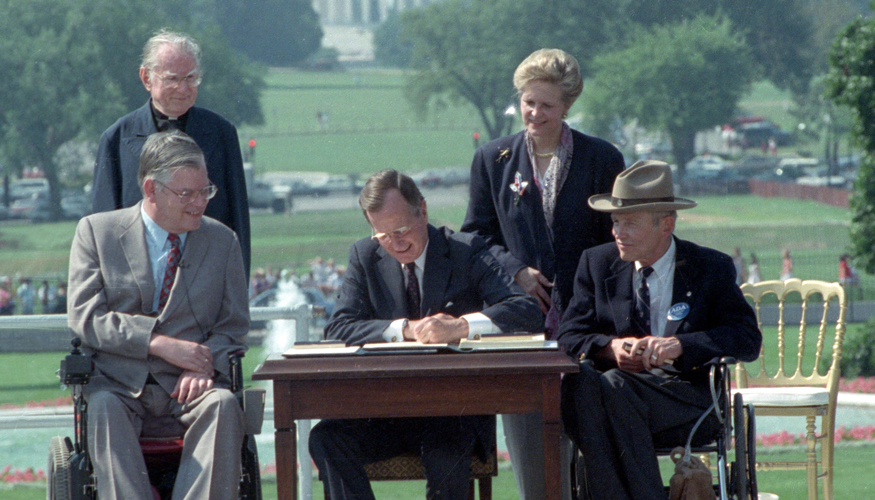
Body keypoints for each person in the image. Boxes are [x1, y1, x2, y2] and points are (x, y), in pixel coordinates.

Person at [308, 169, 542, 500]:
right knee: (325, 438)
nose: (396, 243)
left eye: (402, 229)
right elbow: (339, 327)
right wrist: (403, 329)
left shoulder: (466, 250)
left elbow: (525, 311)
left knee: (446, 455)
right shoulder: (364, 256)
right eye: (383, 235)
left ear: (425, 210)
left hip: (453, 412)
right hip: (385, 413)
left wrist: (460, 327)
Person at [460, 48, 624, 500]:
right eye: (528, 102)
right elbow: (475, 238)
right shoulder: (492, 159)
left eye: (547, 105)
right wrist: (515, 272)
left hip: (589, 323)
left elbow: (619, 240)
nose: (534, 113)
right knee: (535, 462)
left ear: (567, 106)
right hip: (522, 329)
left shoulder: (602, 158)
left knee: (590, 449)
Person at [557, 160, 761, 500]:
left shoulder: (709, 267)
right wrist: (612, 348)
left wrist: (680, 345)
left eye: (629, 224)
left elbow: (747, 339)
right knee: (585, 384)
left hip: (686, 398)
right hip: (614, 398)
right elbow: (569, 337)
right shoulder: (596, 263)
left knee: (607, 389)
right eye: (615, 222)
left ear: (666, 225)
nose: (617, 233)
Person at [67, 130, 250, 500]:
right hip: (118, 385)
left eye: (205, 191)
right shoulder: (97, 233)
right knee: (101, 408)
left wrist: (203, 364)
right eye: (187, 194)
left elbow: (233, 327)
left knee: (223, 405)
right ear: (151, 189)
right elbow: (86, 317)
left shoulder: (222, 241)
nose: (199, 203)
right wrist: (158, 344)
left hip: (189, 388)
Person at [91, 29, 251, 276]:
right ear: (146, 78)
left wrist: (239, 291)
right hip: (138, 282)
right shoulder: (117, 139)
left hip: (205, 280)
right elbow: (103, 228)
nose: (183, 88)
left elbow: (238, 220)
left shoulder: (221, 134)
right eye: (172, 78)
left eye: (191, 78)